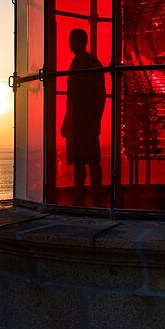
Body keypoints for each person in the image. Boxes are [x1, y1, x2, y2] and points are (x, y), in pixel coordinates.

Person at [59, 29, 106, 204]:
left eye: (73, 40)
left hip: (86, 121)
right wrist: (66, 121)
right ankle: (81, 195)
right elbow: (71, 98)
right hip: (76, 122)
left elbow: (100, 95)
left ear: (82, 41)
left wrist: (96, 121)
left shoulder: (91, 64)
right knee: (79, 161)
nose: (70, 43)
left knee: (92, 161)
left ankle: (96, 197)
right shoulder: (76, 63)